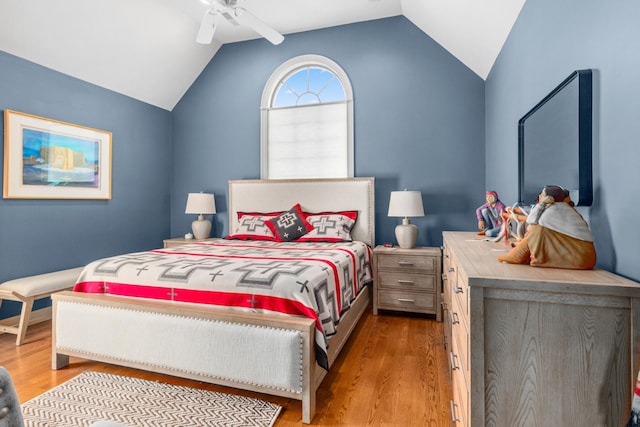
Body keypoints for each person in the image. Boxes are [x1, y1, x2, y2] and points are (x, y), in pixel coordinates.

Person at [497, 185, 596, 269]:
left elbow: (531, 220)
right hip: (586, 257)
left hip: (579, 255)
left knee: (537, 230)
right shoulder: (566, 208)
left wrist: (543, 204)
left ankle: (519, 255)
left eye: (542, 195)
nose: (539, 196)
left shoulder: (552, 209)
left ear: (549, 198)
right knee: (540, 230)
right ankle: (522, 253)